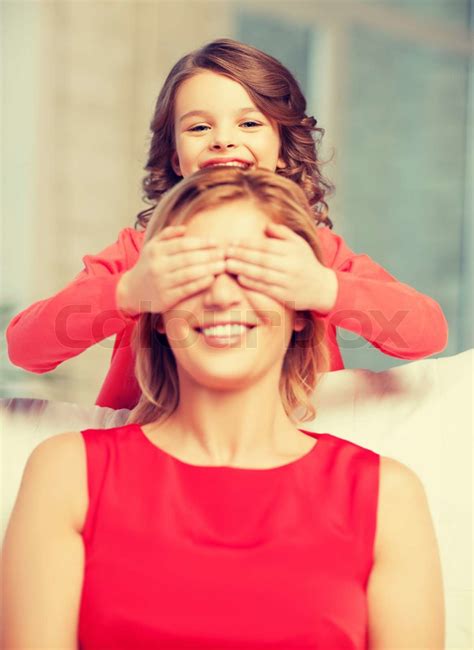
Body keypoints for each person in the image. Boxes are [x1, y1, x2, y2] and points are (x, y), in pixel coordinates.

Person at [2, 168, 445, 649]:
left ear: (302, 310)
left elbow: (424, 329)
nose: (221, 295)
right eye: (193, 274)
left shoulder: (388, 497)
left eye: (254, 272)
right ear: (156, 313)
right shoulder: (66, 475)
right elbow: (28, 343)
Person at [6, 39, 448, 410]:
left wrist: (324, 288)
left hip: (286, 456)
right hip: (151, 460)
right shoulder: (139, 255)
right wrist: (127, 292)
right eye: (199, 127)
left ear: (281, 149)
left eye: (250, 122)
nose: (223, 138)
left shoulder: (318, 253)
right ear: (176, 157)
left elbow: (426, 333)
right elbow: (26, 348)